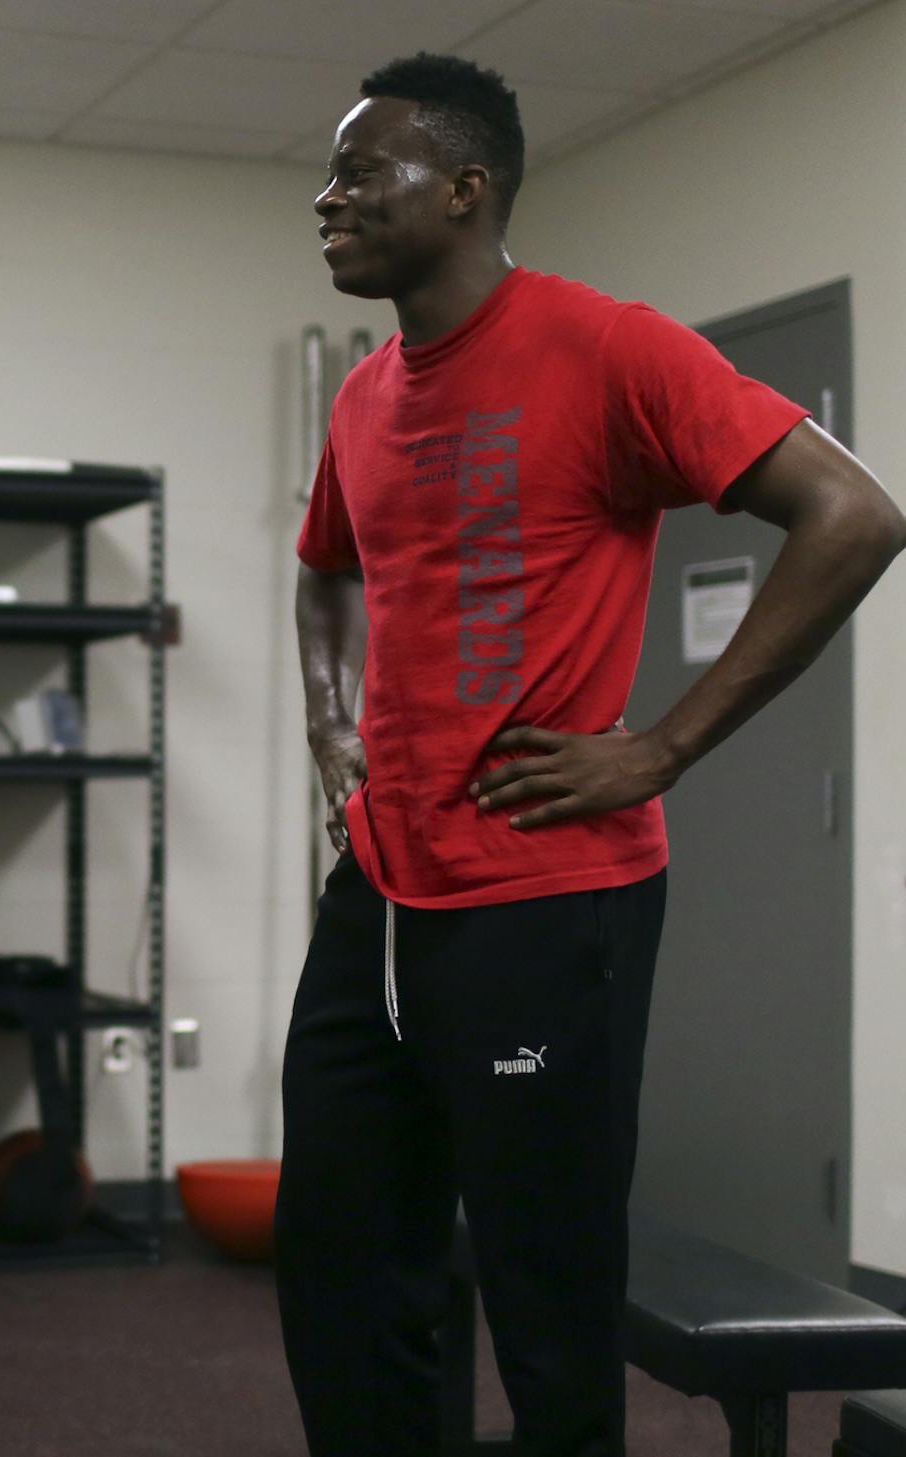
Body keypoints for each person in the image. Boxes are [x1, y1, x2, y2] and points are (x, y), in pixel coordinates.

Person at [279, 52, 904, 1456]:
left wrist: (663, 747)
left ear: (465, 186)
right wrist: (332, 724)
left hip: (548, 897)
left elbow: (854, 515)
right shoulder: (366, 397)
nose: (326, 202)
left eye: (358, 172)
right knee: (342, 1273)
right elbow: (322, 570)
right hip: (381, 893)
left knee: (547, 1295)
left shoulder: (611, 348)